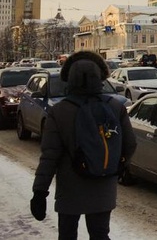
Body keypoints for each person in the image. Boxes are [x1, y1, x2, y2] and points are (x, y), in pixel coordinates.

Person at [30, 51, 137, 240]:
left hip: (70, 190)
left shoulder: (59, 111)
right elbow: (130, 144)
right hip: (104, 186)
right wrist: (116, 166)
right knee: (100, 234)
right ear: (100, 78)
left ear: (70, 80)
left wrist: (40, 191)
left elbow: (49, 156)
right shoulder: (115, 106)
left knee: (68, 235)